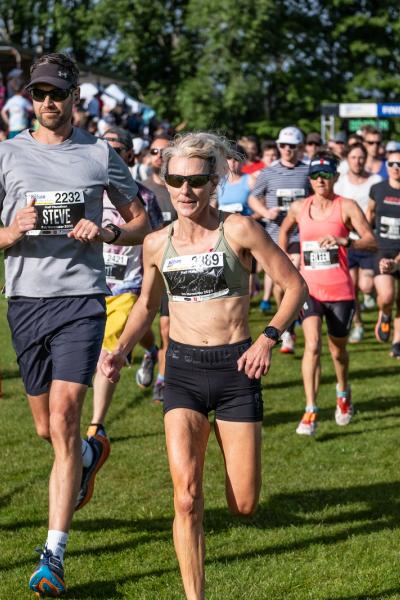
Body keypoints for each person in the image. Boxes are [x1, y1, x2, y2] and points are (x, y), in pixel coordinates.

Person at [101, 132, 307, 600]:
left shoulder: (239, 230)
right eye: (176, 180)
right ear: (164, 181)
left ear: (215, 181)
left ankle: (225, 437)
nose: (186, 191)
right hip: (184, 374)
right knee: (186, 497)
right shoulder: (155, 243)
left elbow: (294, 287)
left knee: (245, 505)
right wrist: (120, 348)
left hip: (236, 372)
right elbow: (147, 307)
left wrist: (268, 339)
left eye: (196, 181)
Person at [0, 53, 150, 597]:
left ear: (74, 99)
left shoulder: (99, 153)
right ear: (31, 98)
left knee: (65, 417)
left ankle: (53, 555)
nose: (48, 103)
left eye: (57, 94)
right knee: (47, 430)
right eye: (39, 93)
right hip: (24, 302)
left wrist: (107, 233)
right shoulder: (7, 153)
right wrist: (10, 234)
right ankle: (90, 454)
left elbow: (142, 224)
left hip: (82, 301)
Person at [279, 151, 376, 435]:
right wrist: (288, 258)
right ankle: (310, 409)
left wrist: (344, 239)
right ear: (310, 179)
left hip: (340, 290)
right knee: (312, 345)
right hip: (309, 289)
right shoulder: (299, 207)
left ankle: (343, 393)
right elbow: (283, 232)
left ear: (334, 176)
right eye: (315, 175)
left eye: (325, 174)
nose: (320, 180)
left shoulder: (346, 206)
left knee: (338, 350)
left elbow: (370, 241)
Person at [88, 127, 163, 441]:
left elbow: (156, 240)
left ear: (130, 156)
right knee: (134, 331)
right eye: (103, 147)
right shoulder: (88, 191)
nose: (109, 152)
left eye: (116, 148)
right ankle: (153, 350)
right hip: (90, 283)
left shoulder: (144, 197)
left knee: (107, 348)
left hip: (128, 285)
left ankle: (96, 424)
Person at [248, 125, 311, 353]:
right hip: (274, 233)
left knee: (293, 272)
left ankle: (289, 328)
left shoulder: (308, 170)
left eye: (292, 146)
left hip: (300, 234)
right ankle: (288, 326)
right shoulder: (269, 172)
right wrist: (266, 213)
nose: (287, 150)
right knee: (278, 285)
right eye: (283, 145)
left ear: (300, 148)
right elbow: (253, 198)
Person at [334, 142, 382, 342]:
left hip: (369, 240)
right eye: (353, 157)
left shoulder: (375, 181)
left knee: (366, 284)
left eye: (361, 157)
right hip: (347, 242)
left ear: (366, 158)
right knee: (352, 286)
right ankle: (359, 325)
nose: (357, 161)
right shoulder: (340, 183)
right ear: (347, 160)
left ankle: (377, 306)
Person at [143, 135, 177, 402]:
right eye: (154, 151)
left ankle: (163, 380)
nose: (159, 155)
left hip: (173, 267)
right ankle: (150, 351)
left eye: (164, 151)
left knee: (167, 327)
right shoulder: (139, 190)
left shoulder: (179, 188)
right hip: (142, 269)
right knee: (137, 324)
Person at [366, 152, 400, 356]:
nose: (396, 167)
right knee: (387, 295)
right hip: (383, 248)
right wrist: (366, 238)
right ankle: (385, 313)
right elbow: (369, 214)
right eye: (392, 163)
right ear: (387, 166)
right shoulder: (377, 189)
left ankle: (397, 342)